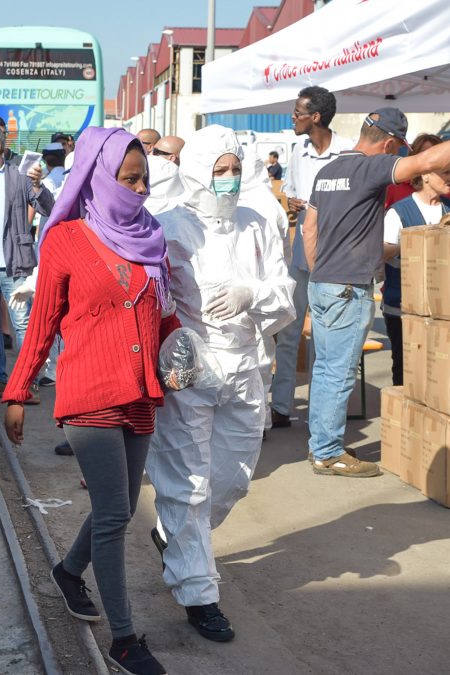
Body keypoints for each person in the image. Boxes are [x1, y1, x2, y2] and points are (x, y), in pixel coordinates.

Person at [3, 126, 177, 675]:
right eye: (129, 179)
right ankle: (124, 640)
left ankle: (68, 572)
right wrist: (18, 390)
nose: (140, 190)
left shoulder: (151, 235)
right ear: (99, 177)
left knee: (121, 506)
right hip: (87, 390)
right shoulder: (66, 240)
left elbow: (161, 311)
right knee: (112, 514)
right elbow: (43, 324)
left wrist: (182, 353)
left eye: (144, 179)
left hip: (141, 390)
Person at [302, 108, 450, 477]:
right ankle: (327, 452)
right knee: (338, 373)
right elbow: (429, 161)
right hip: (348, 287)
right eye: (398, 150)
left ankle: (322, 443)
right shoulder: (370, 168)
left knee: (325, 369)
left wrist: (321, 271)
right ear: (388, 143)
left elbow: (309, 229)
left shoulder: (328, 170)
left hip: (322, 283)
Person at [149, 125, 295, 642]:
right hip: (190, 369)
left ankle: (174, 534)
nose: (228, 180)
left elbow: (283, 291)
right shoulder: (170, 228)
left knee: (232, 477)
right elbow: (150, 297)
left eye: (234, 169)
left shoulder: (258, 225)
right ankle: (198, 592)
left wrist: (249, 292)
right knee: (187, 481)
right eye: (219, 170)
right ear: (196, 172)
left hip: (247, 365)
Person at [271, 86, 354, 429]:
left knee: (326, 340)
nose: (292, 118)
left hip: (336, 259)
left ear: (315, 117)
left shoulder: (348, 152)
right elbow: (290, 191)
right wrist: (291, 203)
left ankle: (322, 415)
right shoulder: (297, 151)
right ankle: (280, 407)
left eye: (297, 113)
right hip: (300, 259)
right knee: (289, 334)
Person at [0, 124, 55, 400]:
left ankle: (27, 383)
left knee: (22, 324)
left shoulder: (19, 177)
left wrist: (38, 185)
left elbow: (48, 209)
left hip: (12, 262)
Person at [382, 164, 450, 385]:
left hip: (444, 307)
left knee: (441, 369)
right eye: (446, 173)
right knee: (407, 368)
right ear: (425, 175)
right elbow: (383, 252)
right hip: (403, 305)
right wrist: (414, 243)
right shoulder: (399, 211)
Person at [238, 143, 293, 432]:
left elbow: (273, 256)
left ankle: (255, 425)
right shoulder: (267, 201)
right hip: (257, 297)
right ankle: (258, 423)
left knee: (257, 362)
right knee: (260, 360)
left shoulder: (259, 206)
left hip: (256, 296)